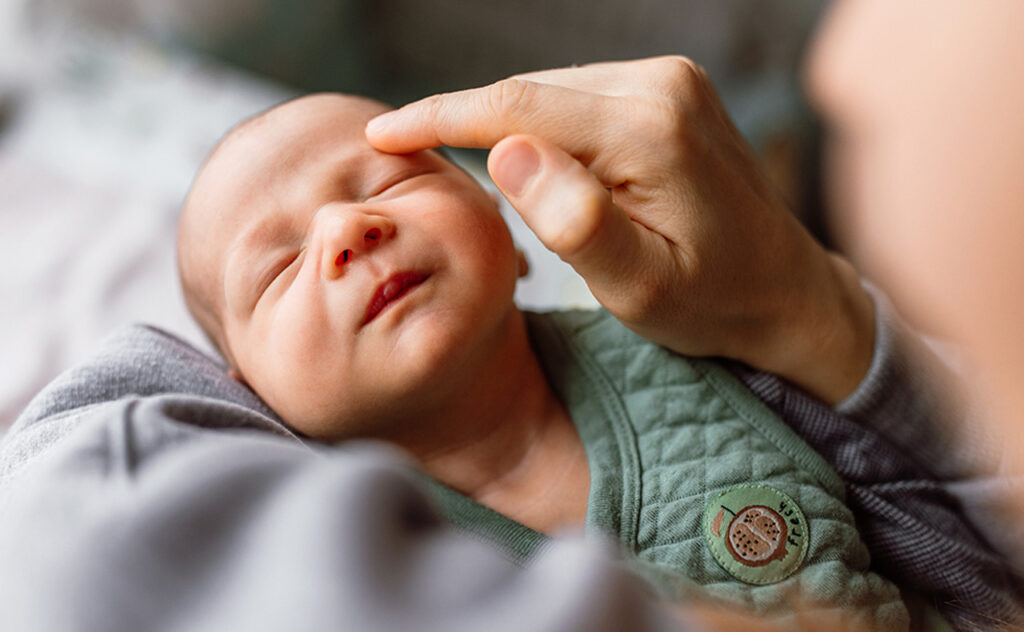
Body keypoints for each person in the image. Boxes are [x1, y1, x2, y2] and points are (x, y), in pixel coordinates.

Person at [174, 90, 1008, 630]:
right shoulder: (345, 550)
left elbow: (942, 526)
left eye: (382, 187)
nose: (346, 233)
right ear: (248, 395)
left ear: (509, 229)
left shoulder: (694, 349)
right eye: (278, 269)